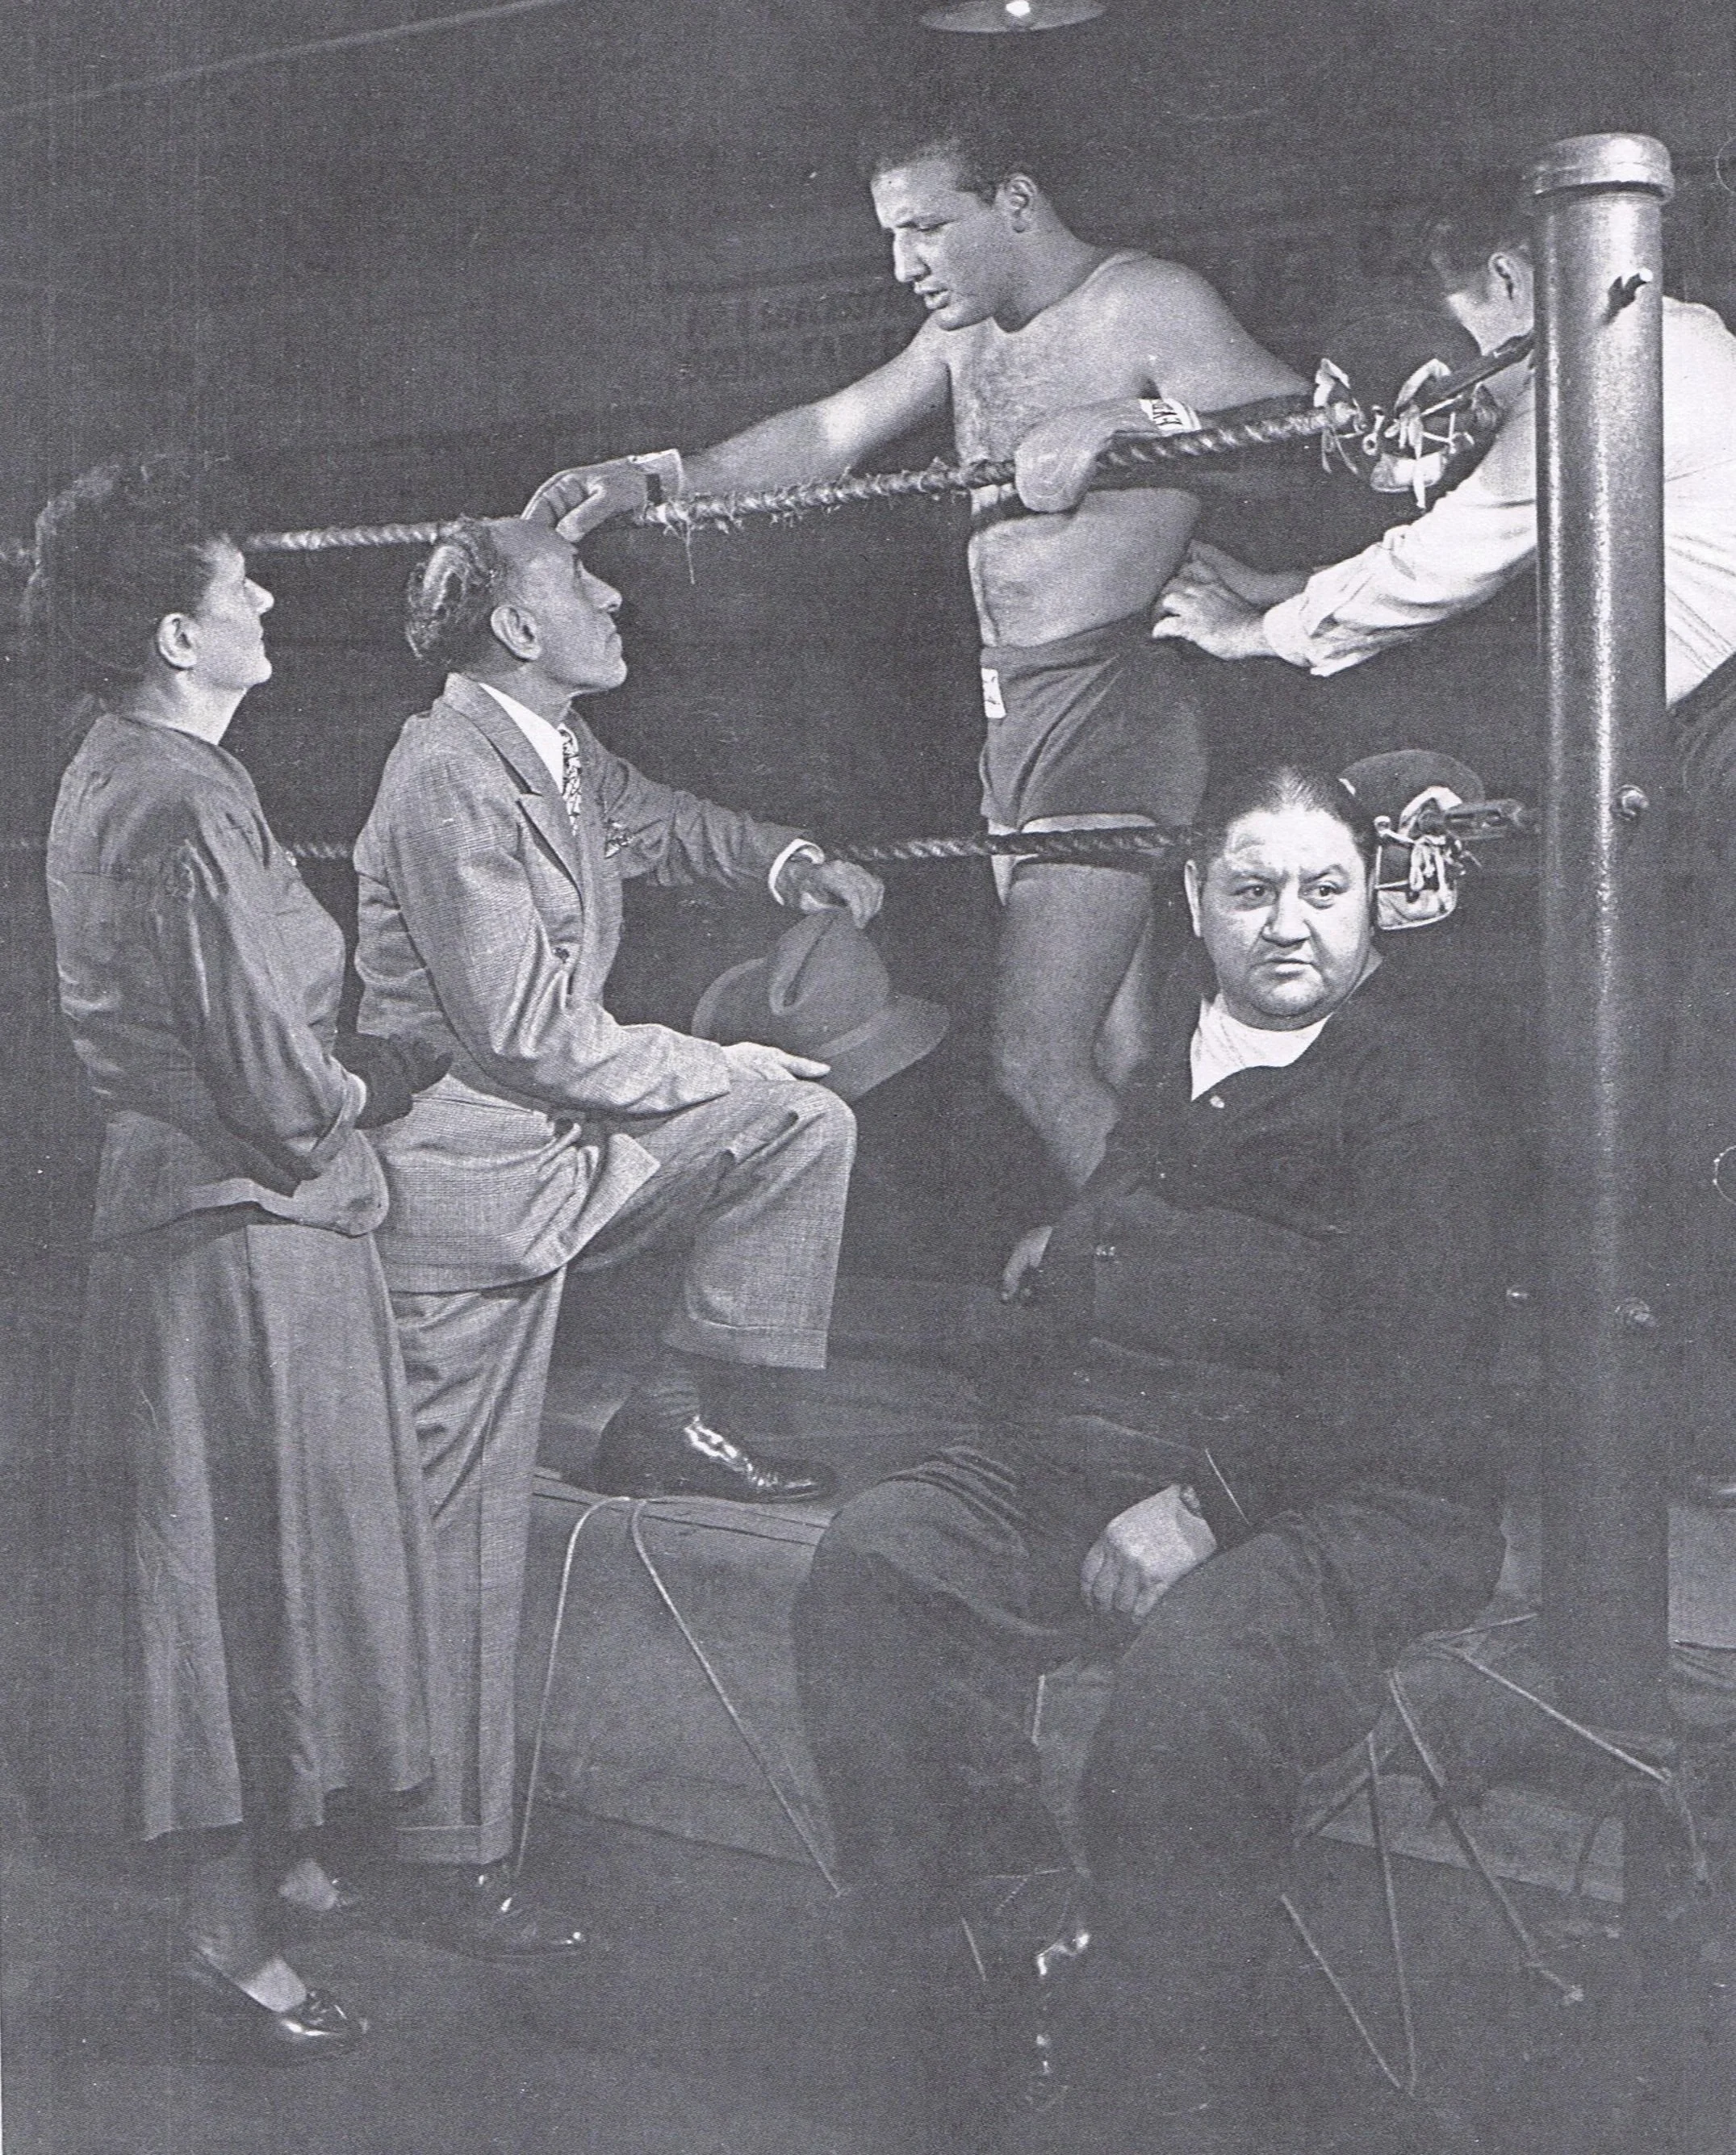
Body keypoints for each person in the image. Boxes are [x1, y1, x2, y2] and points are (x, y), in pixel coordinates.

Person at [790, 764, 1508, 2153]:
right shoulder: (1187, 1043)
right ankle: (1026, 1935)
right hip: (1105, 1452)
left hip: (1354, 1492)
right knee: (878, 1559)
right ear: (1192, 899)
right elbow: (1141, 1194)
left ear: (1370, 900)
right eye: (1251, 890)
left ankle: (1163, 2070)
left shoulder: (1418, 1090)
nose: (1286, 924)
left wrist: (1205, 1506)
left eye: (1323, 889)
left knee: (1197, 1676)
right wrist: (1071, 1248)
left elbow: (1404, 1360)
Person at [522, 95, 1304, 1189]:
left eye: (928, 227)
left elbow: (1297, 431)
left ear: (1015, 201)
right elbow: (825, 432)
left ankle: (1165, 1272)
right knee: (1117, 1054)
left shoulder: (1143, 301)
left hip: (1106, 709)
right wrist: (650, 477)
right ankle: (1151, 1271)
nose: (904, 265)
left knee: (1035, 1056)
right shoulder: (961, 336)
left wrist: (1134, 423)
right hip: (1015, 713)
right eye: (894, 234)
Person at [1106, 182, 1736, 1496]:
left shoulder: (1594, 364)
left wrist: (1253, 632)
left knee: (1705, 1097)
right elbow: (1485, 546)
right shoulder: (1678, 340)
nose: (1472, 394)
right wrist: (1292, 589)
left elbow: (1455, 553)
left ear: (1511, 280)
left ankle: (1702, 1437)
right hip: (1705, 743)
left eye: (1465, 344)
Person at [353, 513, 877, 1940]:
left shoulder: (554, 749)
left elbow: (660, 822)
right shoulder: (448, 775)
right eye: (582, 580)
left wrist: (790, 863)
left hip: (562, 1151)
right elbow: (528, 1031)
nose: (615, 593)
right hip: (465, 1197)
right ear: (519, 629)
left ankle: (670, 1411)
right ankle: (439, 1856)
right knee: (453, 1541)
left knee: (798, 1122)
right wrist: (715, 1059)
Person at [36, 454, 448, 2060]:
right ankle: (224, 1940)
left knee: (233, 1578)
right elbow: (278, 1093)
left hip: (195, 1237)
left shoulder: (121, 764)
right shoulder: (186, 800)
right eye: (238, 584)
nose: (267, 598)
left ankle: (268, 1870)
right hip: (243, 1242)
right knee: (227, 1594)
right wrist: (388, 1078)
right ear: (174, 635)